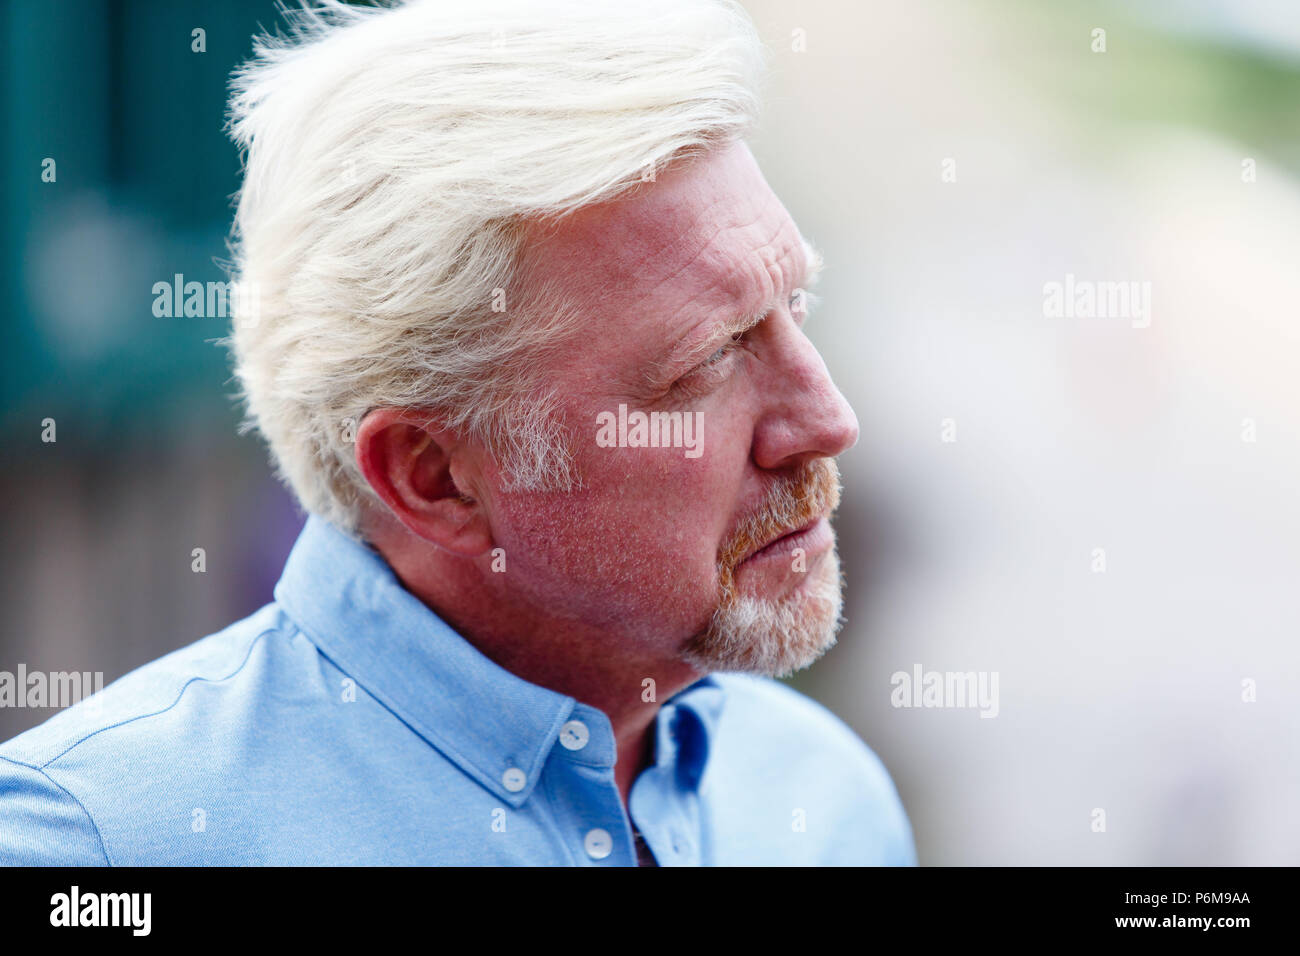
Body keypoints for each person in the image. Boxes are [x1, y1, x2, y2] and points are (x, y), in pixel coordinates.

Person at [0, 0, 915, 866]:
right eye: (707, 362)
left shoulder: (821, 800)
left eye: (796, 307)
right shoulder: (95, 846)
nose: (827, 423)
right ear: (432, 477)